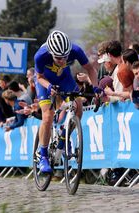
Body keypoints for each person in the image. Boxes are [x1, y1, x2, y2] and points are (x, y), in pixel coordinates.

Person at [34, 30, 99, 173]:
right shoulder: (40, 56)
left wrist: (96, 88)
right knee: (48, 115)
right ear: (51, 53)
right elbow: (39, 77)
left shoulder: (75, 50)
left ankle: (64, 136)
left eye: (65, 57)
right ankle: (42, 155)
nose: (63, 60)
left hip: (64, 78)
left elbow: (90, 69)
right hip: (45, 81)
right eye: (58, 58)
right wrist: (49, 86)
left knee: (78, 107)